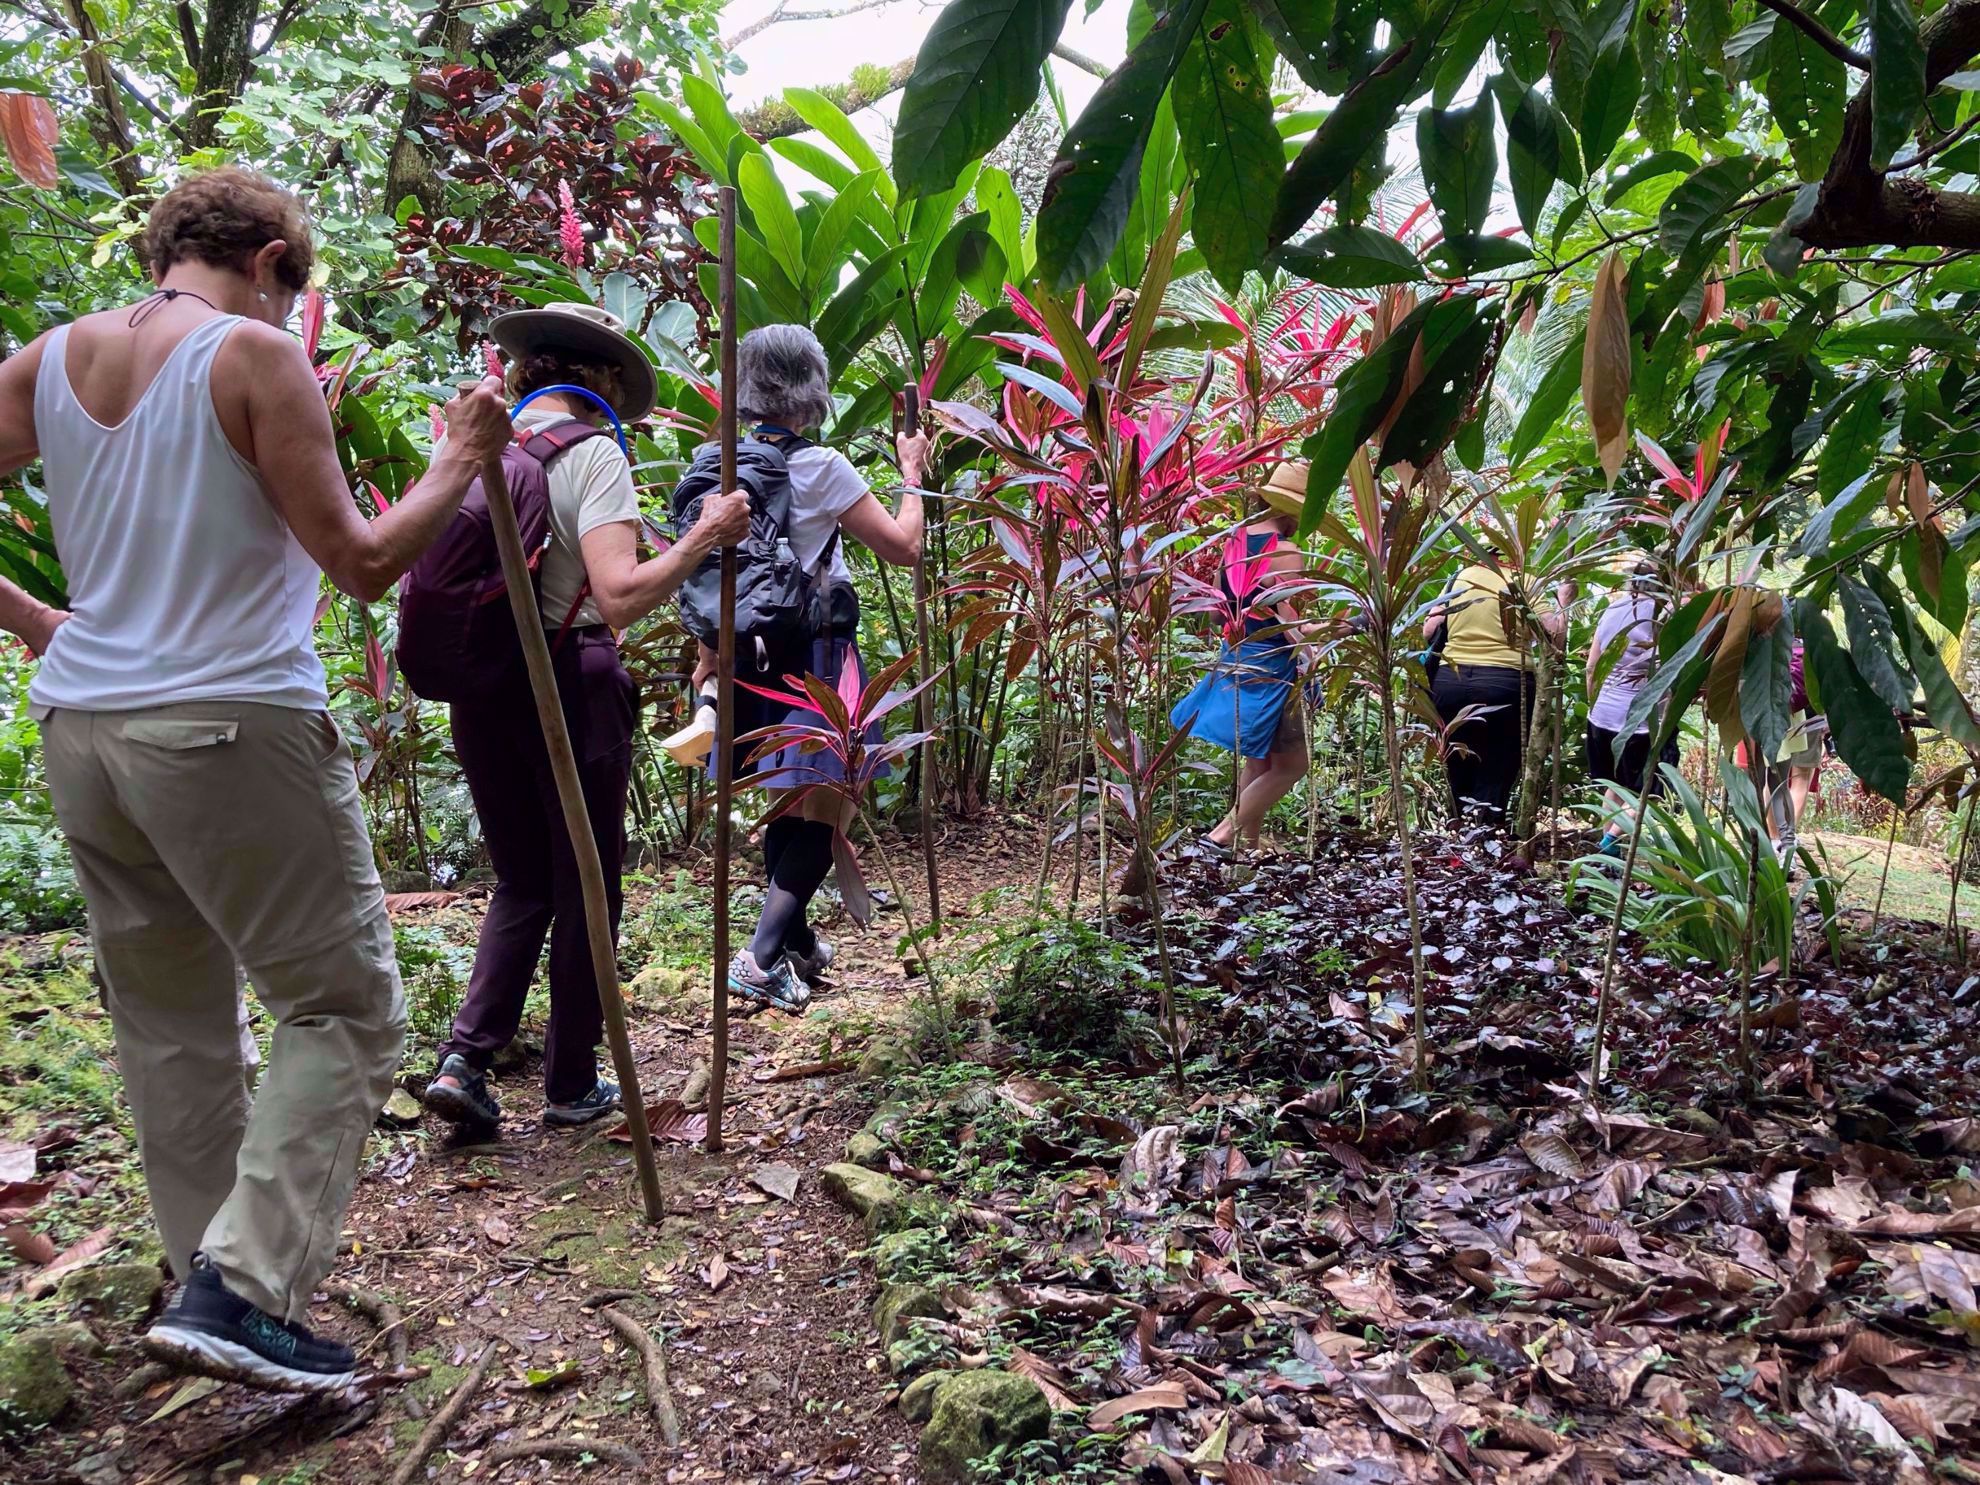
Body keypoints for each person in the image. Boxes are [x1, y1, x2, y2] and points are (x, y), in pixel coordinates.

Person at [0, 167, 514, 1391]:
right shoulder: (252, 357)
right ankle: (241, 1292)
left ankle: (207, 1289)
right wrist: (458, 459)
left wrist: (31, 619)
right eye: (300, 283)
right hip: (228, 722)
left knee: (171, 1024)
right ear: (275, 259)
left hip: (87, 734)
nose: (295, 307)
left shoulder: (51, 358)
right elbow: (362, 561)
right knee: (345, 1008)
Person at [421, 304, 751, 1135]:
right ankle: (570, 1081)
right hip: (570, 679)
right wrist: (703, 535)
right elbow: (620, 595)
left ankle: (466, 1058)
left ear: (529, 370)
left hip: (481, 685)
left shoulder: (469, 446)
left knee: (524, 876)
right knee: (589, 885)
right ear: (600, 380)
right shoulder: (592, 453)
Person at [721, 324, 927, 1013]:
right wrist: (911, 474)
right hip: (818, 655)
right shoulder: (821, 467)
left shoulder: (723, 463)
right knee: (825, 806)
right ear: (812, 389)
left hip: (753, 658)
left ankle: (799, 946)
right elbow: (903, 548)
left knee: (793, 799)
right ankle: (757, 957)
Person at [1170, 463, 1312, 855]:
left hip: (1236, 657)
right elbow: (1290, 623)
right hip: (1274, 666)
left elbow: (1217, 614)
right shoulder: (1285, 552)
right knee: (1293, 766)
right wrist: (1322, 646)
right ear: (1289, 509)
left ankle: (1248, 850)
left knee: (1261, 761)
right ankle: (1220, 837)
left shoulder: (1233, 544)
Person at [1425, 555, 1569, 825]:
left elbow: (1430, 629)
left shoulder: (1459, 578)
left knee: (1457, 761)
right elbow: (1553, 636)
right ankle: (1484, 839)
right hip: (1504, 683)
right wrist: (1564, 602)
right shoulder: (1526, 582)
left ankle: (1459, 839)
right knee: (1498, 764)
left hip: (1450, 681)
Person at [1584, 560, 1676, 854]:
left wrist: (1594, 705)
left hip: (1602, 713)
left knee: (1614, 783)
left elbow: (1592, 667)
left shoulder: (1613, 608)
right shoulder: (1669, 614)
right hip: (1641, 719)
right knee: (1646, 791)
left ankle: (1606, 850)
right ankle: (1609, 844)